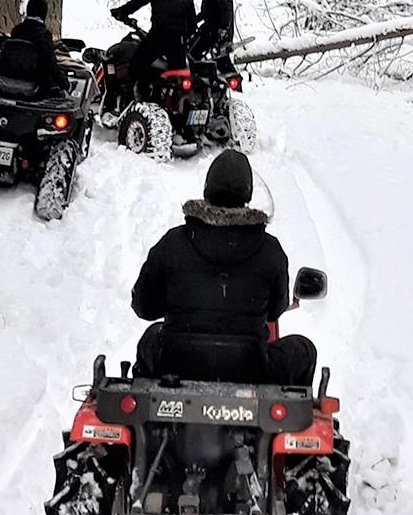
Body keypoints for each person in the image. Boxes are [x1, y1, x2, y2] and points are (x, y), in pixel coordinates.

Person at [130, 150, 317, 386]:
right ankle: (291, 417)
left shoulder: (173, 243)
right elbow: (275, 310)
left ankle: (146, 405)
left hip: (177, 365)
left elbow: (144, 306)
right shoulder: (269, 250)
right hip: (250, 369)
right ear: (247, 193)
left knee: (151, 337)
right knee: (303, 349)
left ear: (207, 189)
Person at [111, 0, 197, 92]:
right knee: (177, 76)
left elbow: (136, 2)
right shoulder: (187, 0)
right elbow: (192, 26)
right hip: (178, 43)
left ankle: (137, 95)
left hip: (158, 37)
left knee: (136, 65)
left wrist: (120, 12)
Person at [0, 0, 65, 95]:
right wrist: (64, 83)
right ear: (44, 14)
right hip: (35, 85)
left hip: (9, 78)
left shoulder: (17, 31)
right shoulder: (43, 35)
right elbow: (50, 64)